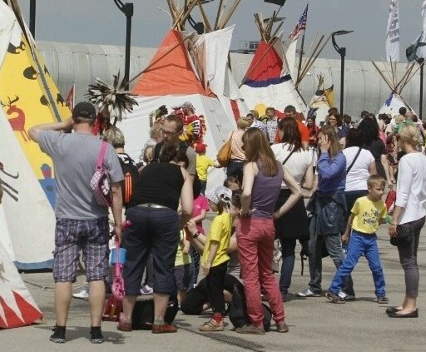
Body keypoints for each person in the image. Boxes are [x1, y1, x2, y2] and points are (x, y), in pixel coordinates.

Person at [29, 102, 124, 345]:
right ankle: (95, 330)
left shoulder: (59, 143)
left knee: (63, 276)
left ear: (75, 119)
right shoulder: (105, 149)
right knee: (96, 276)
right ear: (94, 122)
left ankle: (60, 329)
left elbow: (33, 130)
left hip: (66, 218)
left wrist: (63, 124)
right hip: (96, 219)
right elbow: (115, 190)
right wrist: (119, 223)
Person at [235, 127, 305, 334]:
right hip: (268, 223)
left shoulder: (251, 166)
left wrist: (244, 210)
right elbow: (298, 191)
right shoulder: (277, 166)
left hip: (251, 224)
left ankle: (256, 322)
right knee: (267, 273)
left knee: (250, 275)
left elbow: (247, 192)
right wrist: (277, 213)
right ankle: (280, 320)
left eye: (245, 145)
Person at [118, 143, 194, 334]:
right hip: (164, 215)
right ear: (180, 159)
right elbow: (188, 209)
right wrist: (178, 225)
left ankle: (126, 318)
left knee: (133, 263)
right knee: (163, 265)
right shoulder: (182, 173)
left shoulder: (145, 169)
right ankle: (159, 321)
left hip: (137, 213)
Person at [298, 125, 353, 300]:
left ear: (329, 140)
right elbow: (318, 178)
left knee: (334, 248)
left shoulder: (339, 158)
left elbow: (327, 174)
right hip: (320, 203)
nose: (319, 142)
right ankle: (314, 284)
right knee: (313, 246)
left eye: (321, 138)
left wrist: (322, 154)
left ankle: (347, 287)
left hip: (332, 205)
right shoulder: (324, 156)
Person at [387, 124, 426, 319]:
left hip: (408, 215)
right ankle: (408, 301)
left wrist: (394, 219)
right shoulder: (424, 158)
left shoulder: (406, 160)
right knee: (412, 259)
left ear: (403, 140)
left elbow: (402, 193)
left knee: (408, 262)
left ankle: (410, 305)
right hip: (420, 212)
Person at [271, 117, 316, 296]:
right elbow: (310, 184)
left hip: (275, 196)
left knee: (267, 245)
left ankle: (265, 285)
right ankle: (283, 288)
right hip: (294, 199)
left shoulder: (274, 149)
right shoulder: (307, 153)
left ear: (282, 131)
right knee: (289, 249)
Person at [326, 175, 388, 304]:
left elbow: (381, 219)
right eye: (378, 189)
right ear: (369, 188)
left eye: (383, 189)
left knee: (376, 267)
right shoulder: (361, 201)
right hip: (358, 237)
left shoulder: (382, 205)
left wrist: (384, 221)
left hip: (371, 239)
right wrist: (346, 234)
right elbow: (351, 217)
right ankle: (333, 290)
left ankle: (381, 293)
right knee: (348, 265)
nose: (381, 192)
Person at [197, 191, 238, 332]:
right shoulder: (227, 217)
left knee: (214, 290)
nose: (209, 205)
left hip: (216, 260)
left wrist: (208, 261)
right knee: (217, 290)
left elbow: (214, 242)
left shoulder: (219, 219)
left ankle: (217, 320)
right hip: (222, 259)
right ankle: (217, 318)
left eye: (210, 202)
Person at [225, 117, 250, 182]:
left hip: (233, 162)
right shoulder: (248, 135)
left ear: (237, 124)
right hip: (245, 162)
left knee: (230, 184)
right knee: (244, 184)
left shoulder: (231, 133)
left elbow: (227, 145)